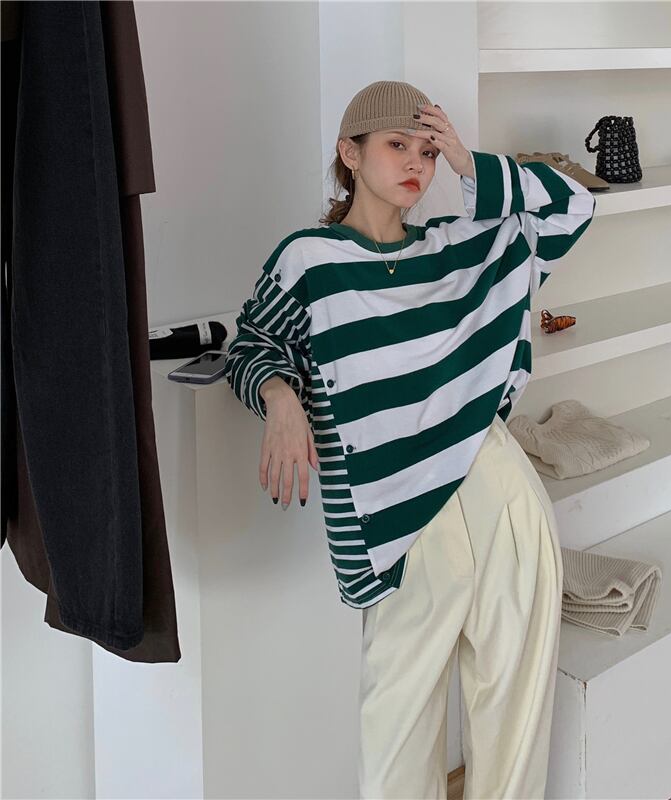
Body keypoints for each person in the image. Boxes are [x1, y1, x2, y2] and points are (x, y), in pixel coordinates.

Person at [225, 79, 596, 799]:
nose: (416, 166)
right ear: (349, 153)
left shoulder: (464, 246)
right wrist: (280, 397)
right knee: (395, 740)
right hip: (400, 522)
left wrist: (468, 161)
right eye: (398, 145)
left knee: (514, 718)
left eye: (427, 152)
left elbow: (573, 205)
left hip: (495, 486)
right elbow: (253, 344)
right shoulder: (311, 259)